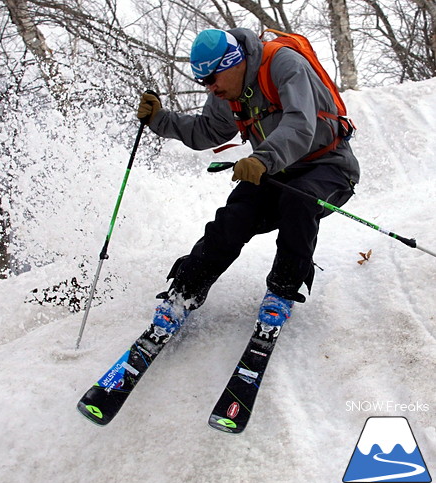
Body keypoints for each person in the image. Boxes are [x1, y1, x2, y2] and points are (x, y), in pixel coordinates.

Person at [137, 28, 360, 332]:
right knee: (236, 215)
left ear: (233, 62)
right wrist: (159, 120)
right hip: (276, 169)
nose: (210, 88)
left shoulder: (284, 65)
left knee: (300, 199)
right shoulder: (227, 93)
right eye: (204, 82)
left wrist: (261, 159)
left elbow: (300, 122)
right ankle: (184, 292)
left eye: (213, 79)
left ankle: (281, 292)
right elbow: (208, 130)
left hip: (328, 165)